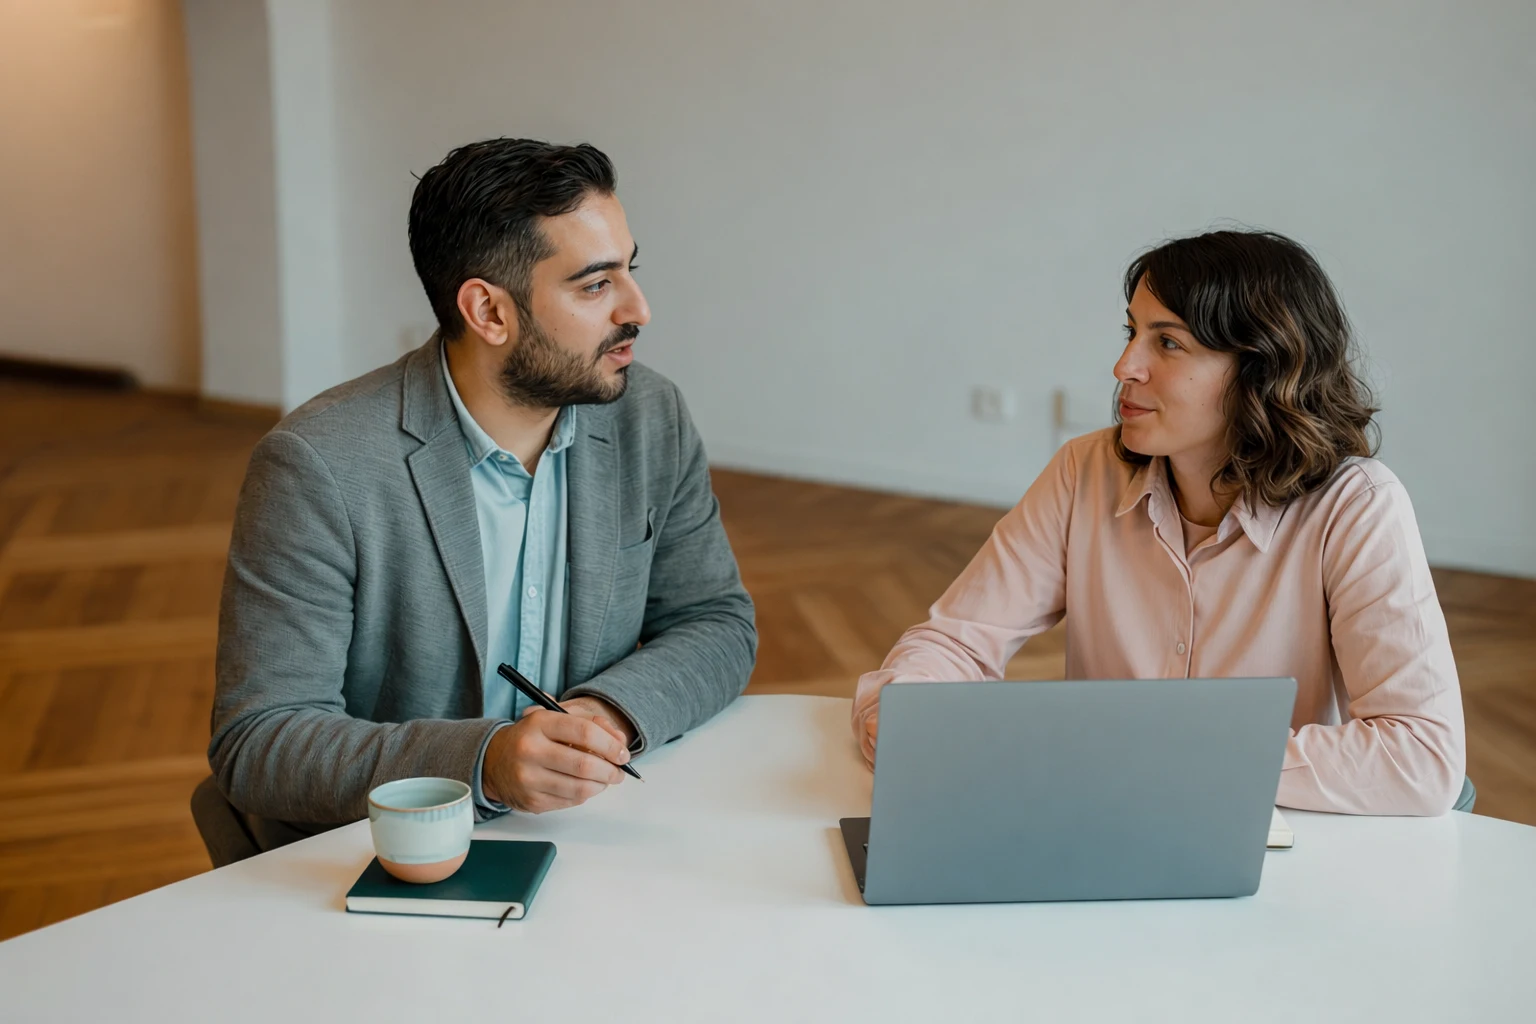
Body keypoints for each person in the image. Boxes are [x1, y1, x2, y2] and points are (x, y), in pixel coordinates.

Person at [196, 139, 757, 865]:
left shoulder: (649, 415)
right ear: (488, 311)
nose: (638, 309)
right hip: (388, 860)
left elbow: (715, 621)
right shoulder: (318, 465)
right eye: (594, 285)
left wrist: (604, 714)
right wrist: (487, 762)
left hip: (587, 833)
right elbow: (260, 740)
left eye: (631, 269)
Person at [853, 230, 1465, 815]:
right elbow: (957, 640)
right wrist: (904, 708)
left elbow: (1421, 756)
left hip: (1274, 841)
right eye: (1132, 332)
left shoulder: (1356, 506)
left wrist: (1156, 756)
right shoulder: (1084, 470)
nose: (1124, 366)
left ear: (1261, 369)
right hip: (1099, 820)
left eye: (1167, 343)